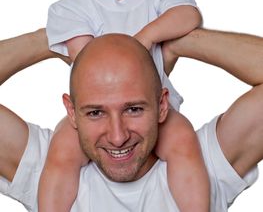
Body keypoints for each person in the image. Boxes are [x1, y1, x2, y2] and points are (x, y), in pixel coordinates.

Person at [43, 0, 206, 212]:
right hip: (98, 109)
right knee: (60, 151)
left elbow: (190, 16)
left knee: (184, 141)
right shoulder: (78, 1)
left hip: (154, 105)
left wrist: (144, 39)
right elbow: (84, 59)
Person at [0, 28, 262, 212]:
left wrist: (179, 39)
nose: (117, 136)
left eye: (134, 109)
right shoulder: (48, 169)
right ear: (72, 112)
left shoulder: (202, 164)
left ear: (162, 105)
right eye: (95, 113)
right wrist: (56, 36)